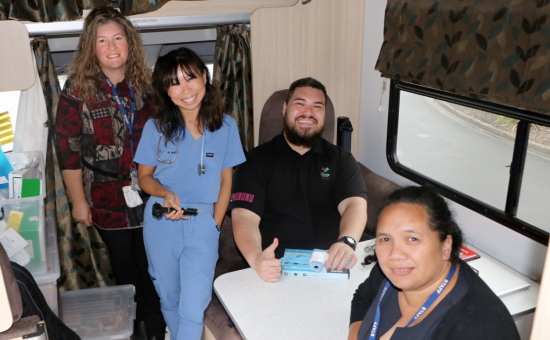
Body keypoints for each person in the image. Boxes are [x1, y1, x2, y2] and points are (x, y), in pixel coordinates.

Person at [53, 6, 165, 339]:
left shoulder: (147, 85)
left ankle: (159, 323)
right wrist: (78, 202)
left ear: (130, 42)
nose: (112, 46)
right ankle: (141, 325)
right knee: (125, 264)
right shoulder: (77, 91)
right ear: (91, 47)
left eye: (118, 38)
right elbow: (67, 151)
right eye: (102, 40)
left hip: (150, 189)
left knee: (153, 263)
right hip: (104, 196)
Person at [134, 47, 246, 340]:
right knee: (169, 297)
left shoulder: (226, 126)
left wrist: (216, 224)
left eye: (190, 78)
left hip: (203, 223)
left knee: (194, 306)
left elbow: (226, 182)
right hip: (162, 219)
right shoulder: (155, 129)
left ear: (205, 78)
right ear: (166, 90)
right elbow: (144, 178)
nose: (185, 89)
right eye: (174, 82)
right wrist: (165, 192)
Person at [230, 77, 368, 283]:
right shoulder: (255, 161)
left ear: (324, 115)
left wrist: (346, 242)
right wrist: (256, 258)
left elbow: (354, 204)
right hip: (277, 265)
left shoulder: (341, 160)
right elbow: (244, 217)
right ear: (285, 109)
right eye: (300, 104)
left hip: (331, 261)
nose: (308, 113)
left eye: (317, 107)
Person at [348, 186, 519, 340]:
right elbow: (363, 297)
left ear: (445, 246)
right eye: (385, 239)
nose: (395, 254)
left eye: (412, 239)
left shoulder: (477, 328)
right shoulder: (393, 270)